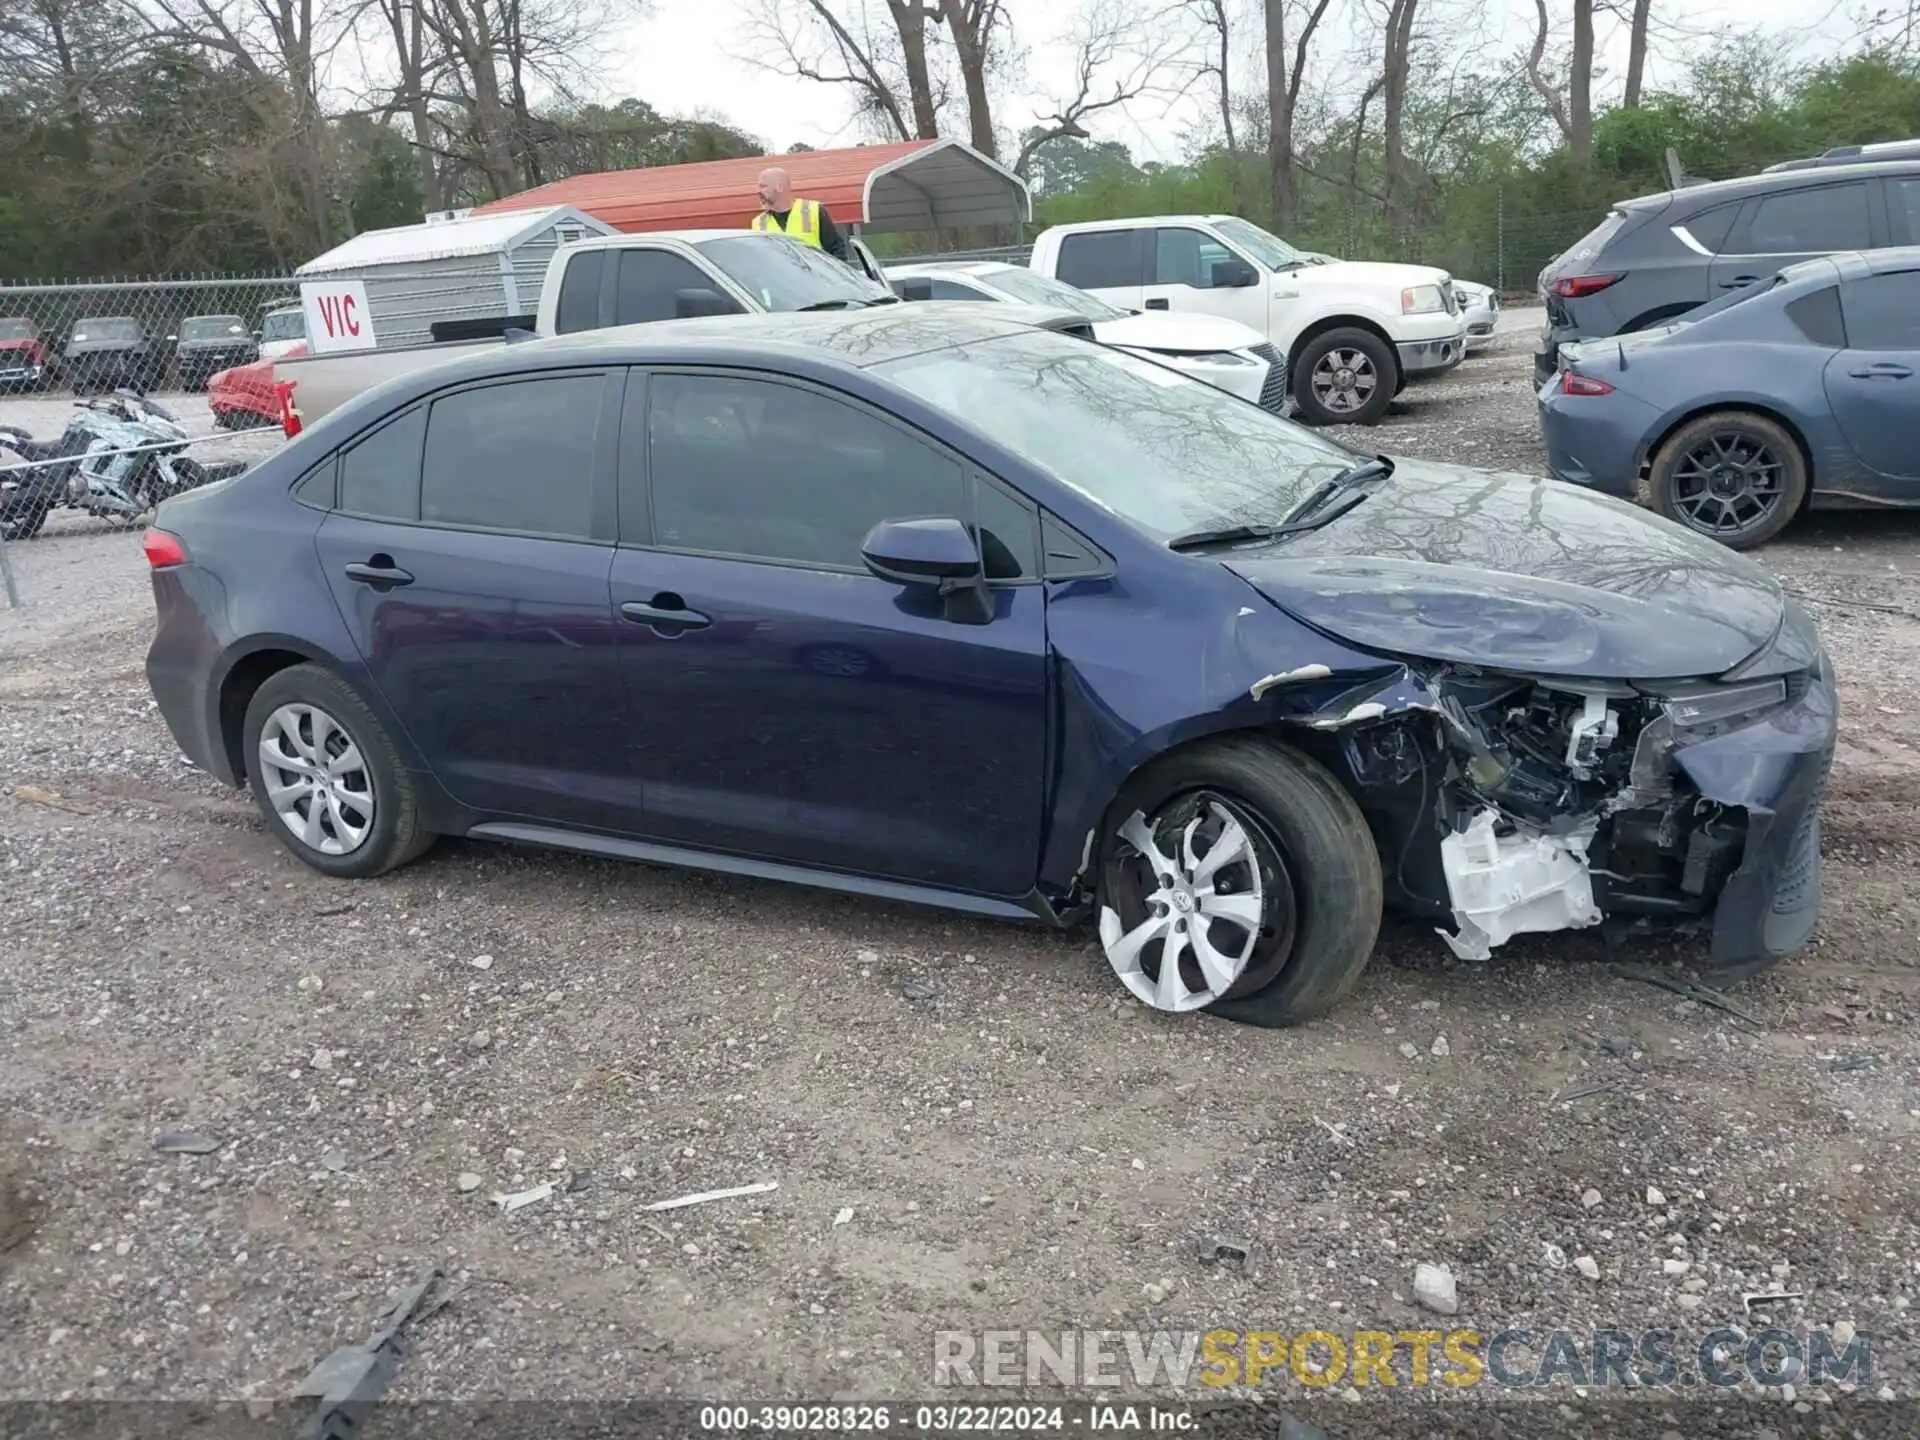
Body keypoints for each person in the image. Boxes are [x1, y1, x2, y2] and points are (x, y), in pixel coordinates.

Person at [751, 166, 851, 261]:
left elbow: (836, 251)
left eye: (763, 186)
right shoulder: (758, 223)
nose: (758, 191)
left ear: (780, 187)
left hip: (814, 278)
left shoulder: (814, 210)